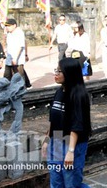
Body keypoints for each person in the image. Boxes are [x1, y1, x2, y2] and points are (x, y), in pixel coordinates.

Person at [42, 58, 92, 188]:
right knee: (56, 181)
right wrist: (47, 141)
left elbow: (77, 125)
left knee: (71, 182)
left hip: (72, 144)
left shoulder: (78, 95)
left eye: (60, 71)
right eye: (56, 70)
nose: (56, 74)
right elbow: (53, 120)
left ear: (69, 73)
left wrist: (70, 151)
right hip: (56, 141)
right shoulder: (59, 92)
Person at [3, 18, 30, 88]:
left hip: (17, 58)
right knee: (7, 75)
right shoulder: (9, 34)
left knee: (19, 75)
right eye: (6, 26)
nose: (7, 27)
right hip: (9, 58)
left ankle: (22, 88)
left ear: (14, 25)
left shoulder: (19, 33)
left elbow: (21, 46)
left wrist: (16, 58)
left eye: (9, 26)